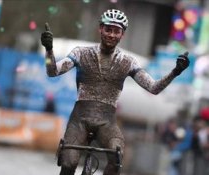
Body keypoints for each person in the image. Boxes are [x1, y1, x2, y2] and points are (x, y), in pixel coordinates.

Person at [41, 9, 190, 175]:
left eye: (116, 31)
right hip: (80, 120)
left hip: (107, 122)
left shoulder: (128, 62)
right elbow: (52, 71)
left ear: (122, 34)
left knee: (116, 157)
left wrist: (175, 72)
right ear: (100, 29)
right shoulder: (80, 53)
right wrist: (49, 50)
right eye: (108, 30)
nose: (111, 35)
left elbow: (153, 88)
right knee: (69, 163)